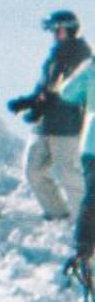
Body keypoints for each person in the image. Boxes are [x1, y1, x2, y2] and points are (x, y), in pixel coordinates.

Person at [9, 11, 91, 220]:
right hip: (44, 125)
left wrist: (40, 105)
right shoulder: (55, 54)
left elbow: (67, 90)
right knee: (33, 171)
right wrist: (28, 102)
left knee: (68, 174)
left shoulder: (79, 54)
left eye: (56, 30)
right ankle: (57, 213)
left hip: (67, 125)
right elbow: (45, 88)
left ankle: (86, 222)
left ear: (66, 29)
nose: (54, 34)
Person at [57, 54, 95, 272]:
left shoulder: (91, 70)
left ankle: (84, 247)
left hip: (91, 145)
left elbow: (67, 92)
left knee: (92, 197)